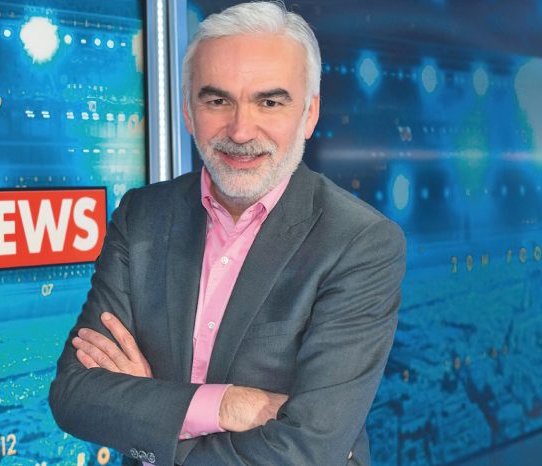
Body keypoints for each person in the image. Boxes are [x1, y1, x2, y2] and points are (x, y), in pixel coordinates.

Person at [49, 2, 406, 465]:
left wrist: (155, 415)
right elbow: (75, 394)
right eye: (217, 101)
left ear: (310, 114)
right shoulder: (142, 216)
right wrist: (226, 403)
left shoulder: (360, 242)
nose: (240, 131)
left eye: (269, 102)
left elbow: (307, 451)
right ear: (188, 111)